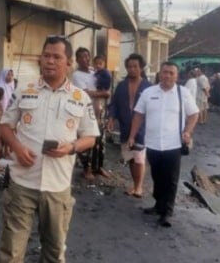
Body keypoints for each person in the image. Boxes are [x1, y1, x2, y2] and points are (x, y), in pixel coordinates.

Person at [0, 35, 99, 263]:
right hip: (22, 183)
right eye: (46, 55)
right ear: (40, 59)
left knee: (54, 252)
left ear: (68, 62)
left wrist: (71, 147)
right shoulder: (24, 89)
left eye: (57, 57)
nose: (50, 61)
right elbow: (5, 125)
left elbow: (90, 137)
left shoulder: (80, 97)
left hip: (57, 186)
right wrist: (17, 147)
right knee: (10, 252)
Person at [127, 62, 198, 228]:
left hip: (173, 144)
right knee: (157, 177)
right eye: (165, 72)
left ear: (176, 76)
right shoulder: (148, 92)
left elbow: (194, 114)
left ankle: (167, 212)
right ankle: (158, 205)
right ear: (160, 74)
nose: (167, 76)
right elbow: (138, 115)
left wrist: (187, 131)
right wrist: (132, 136)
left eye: (171, 73)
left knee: (171, 179)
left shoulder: (183, 93)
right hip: (152, 143)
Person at [107, 54, 151, 198]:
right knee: (130, 157)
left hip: (142, 127)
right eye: (129, 66)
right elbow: (114, 104)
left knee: (139, 157)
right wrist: (111, 119)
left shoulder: (148, 87)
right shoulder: (121, 85)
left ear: (141, 68)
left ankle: (139, 187)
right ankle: (134, 184)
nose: (132, 69)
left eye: (135, 66)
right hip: (125, 126)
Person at [72, 47, 110, 180]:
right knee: (88, 138)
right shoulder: (77, 75)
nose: (85, 59)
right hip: (86, 110)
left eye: (87, 56)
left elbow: (103, 82)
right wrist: (104, 94)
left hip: (99, 108)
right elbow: (85, 92)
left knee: (101, 139)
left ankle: (98, 167)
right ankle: (86, 168)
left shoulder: (94, 71)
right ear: (76, 60)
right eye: (81, 57)